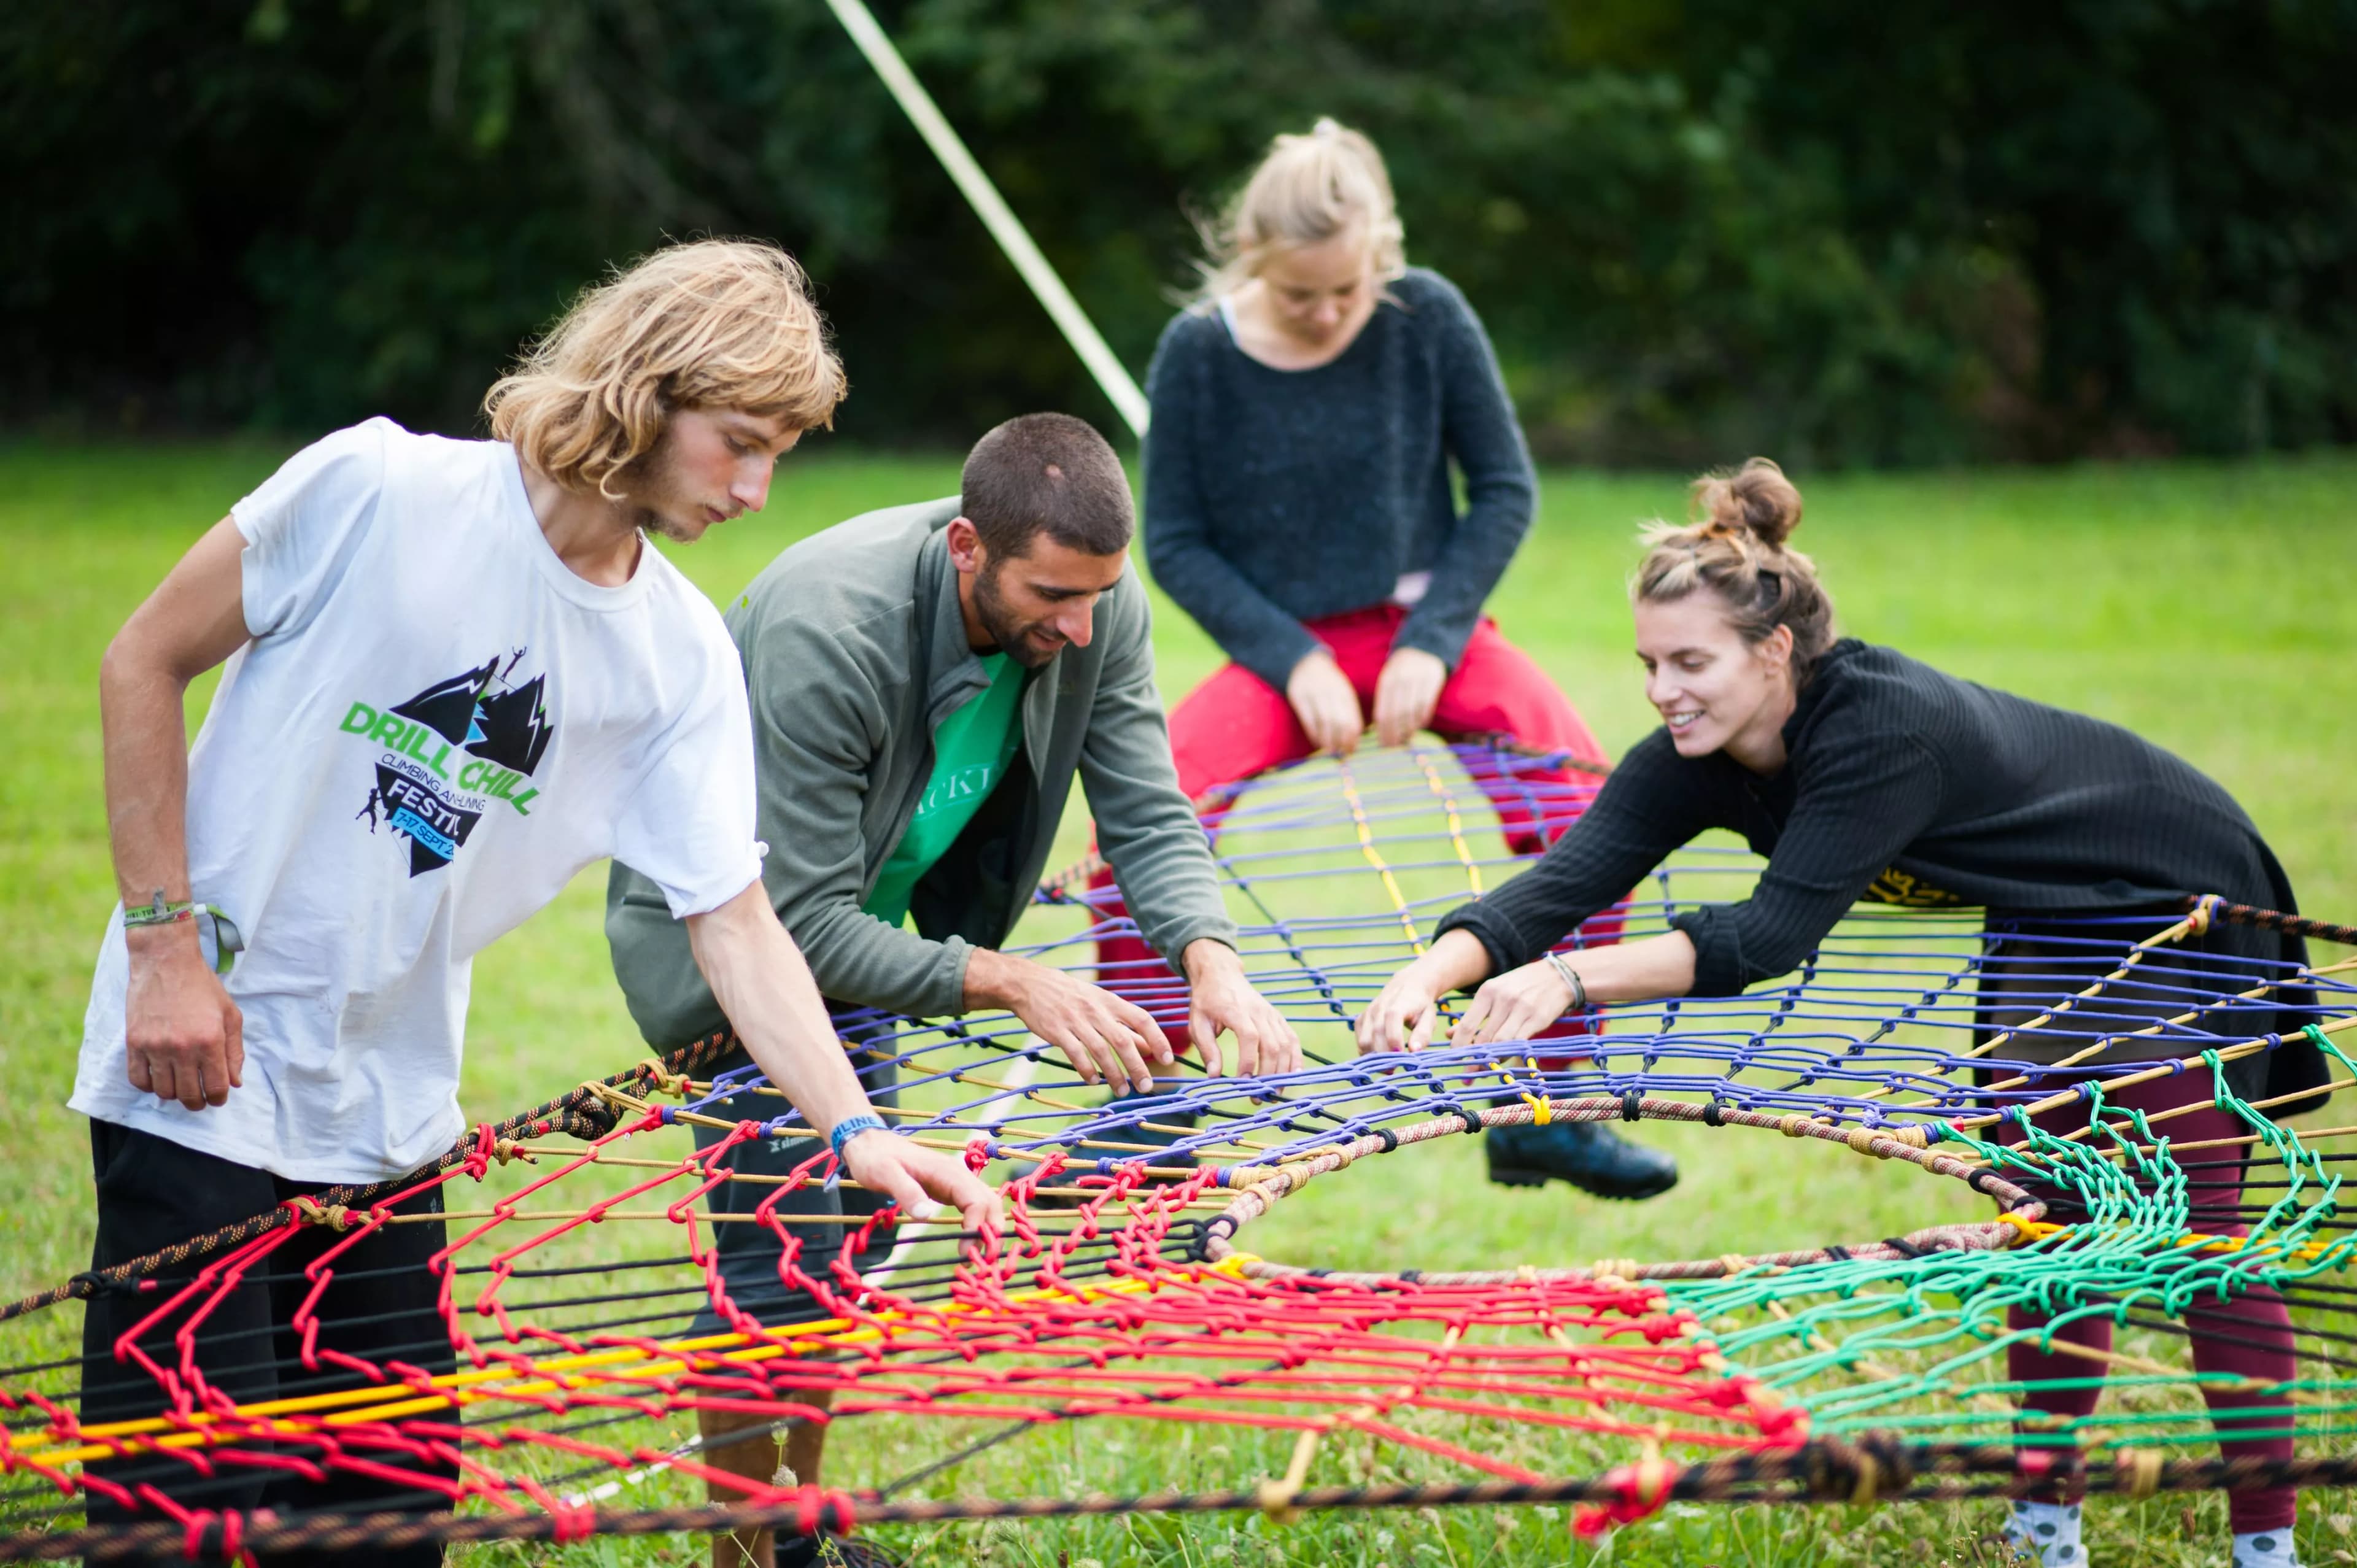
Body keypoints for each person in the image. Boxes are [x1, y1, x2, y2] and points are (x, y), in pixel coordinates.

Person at [70, 240, 994, 1568]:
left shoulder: (677, 653)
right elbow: (138, 661)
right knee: (180, 1523)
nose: (756, 487)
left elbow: (733, 921)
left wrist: (851, 1130)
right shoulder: (379, 488)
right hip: (199, 1064)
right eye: (738, 441)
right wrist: (164, 953)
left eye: (779, 451)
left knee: (387, 1521)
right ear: (642, 390)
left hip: (387, 1120)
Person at [1358, 458, 2324, 1568]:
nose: (1663, 689)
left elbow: (1770, 937)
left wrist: (1573, 981)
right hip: (2039, 916)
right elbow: (1566, 880)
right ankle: (2046, 1526)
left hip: (2168, 897)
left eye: (1690, 662)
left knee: (2192, 1235)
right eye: (1648, 664)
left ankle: (2268, 1549)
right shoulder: (1698, 752)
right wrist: (1435, 970)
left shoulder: (1879, 730)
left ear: (1774, 654)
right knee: (2051, 1212)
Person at [606, 411, 1300, 1568]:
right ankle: (747, 1556)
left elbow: (1143, 804)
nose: (1080, 628)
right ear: (968, 547)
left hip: (867, 932)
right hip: (728, 952)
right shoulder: (834, 628)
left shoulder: (1095, 602)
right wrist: (1012, 982)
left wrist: (1208, 957)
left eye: (1097, 598)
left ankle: (800, 1535)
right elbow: (794, 922)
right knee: (773, 1263)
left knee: (852, 1237)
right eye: (1053, 598)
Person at [1110, 115, 1670, 1201]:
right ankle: (1151, 1124)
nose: (1326, 313)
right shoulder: (1197, 353)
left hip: (1431, 633)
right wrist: (1290, 656)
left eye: (1348, 292)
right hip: (1287, 654)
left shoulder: (1429, 316)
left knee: (1594, 804)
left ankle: (1547, 1103)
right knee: (1146, 824)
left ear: (1384, 256)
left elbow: (1504, 492)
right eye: (1298, 295)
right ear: (1252, 262)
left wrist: (1433, 635)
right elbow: (1174, 541)